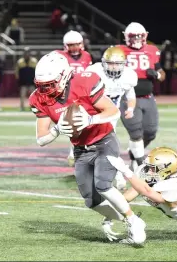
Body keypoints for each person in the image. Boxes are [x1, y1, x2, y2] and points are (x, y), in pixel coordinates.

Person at [29, 51, 146, 245]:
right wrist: (56, 130)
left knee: (103, 185)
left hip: (104, 141)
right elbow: (41, 139)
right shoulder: (38, 99)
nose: (45, 90)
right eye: (41, 86)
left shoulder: (84, 82)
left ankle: (133, 220)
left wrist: (91, 119)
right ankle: (124, 219)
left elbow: (113, 111)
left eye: (49, 84)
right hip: (81, 149)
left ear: (64, 76)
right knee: (91, 200)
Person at [85, 46, 138, 190]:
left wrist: (130, 109)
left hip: (110, 116)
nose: (114, 67)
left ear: (123, 64)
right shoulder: (94, 72)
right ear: (103, 63)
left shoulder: (128, 76)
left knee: (108, 147)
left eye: (117, 64)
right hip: (92, 113)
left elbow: (131, 96)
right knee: (91, 146)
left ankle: (119, 175)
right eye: (110, 63)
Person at [117, 22, 166, 171]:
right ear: (126, 37)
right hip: (128, 97)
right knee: (136, 132)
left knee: (150, 132)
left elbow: (162, 74)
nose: (137, 39)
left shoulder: (152, 50)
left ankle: (134, 153)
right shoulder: (119, 51)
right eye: (134, 36)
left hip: (148, 97)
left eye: (139, 36)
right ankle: (140, 164)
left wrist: (157, 74)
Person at [58, 30, 93, 167]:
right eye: (71, 45)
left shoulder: (87, 56)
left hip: (83, 93)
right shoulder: (59, 56)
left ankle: (80, 148)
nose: (74, 48)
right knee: (72, 123)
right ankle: (74, 149)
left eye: (76, 44)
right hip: (67, 93)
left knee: (84, 122)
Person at [15, 47, 38, 111]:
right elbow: (16, 72)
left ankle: (33, 107)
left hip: (31, 82)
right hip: (23, 82)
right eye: (25, 53)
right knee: (22, 96)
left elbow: (37, 71)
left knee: (33, 96)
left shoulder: (34, 61)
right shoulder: (20, 62)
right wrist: (18, 80)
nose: (27, 54)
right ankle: (22, 107)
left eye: (28, 52)